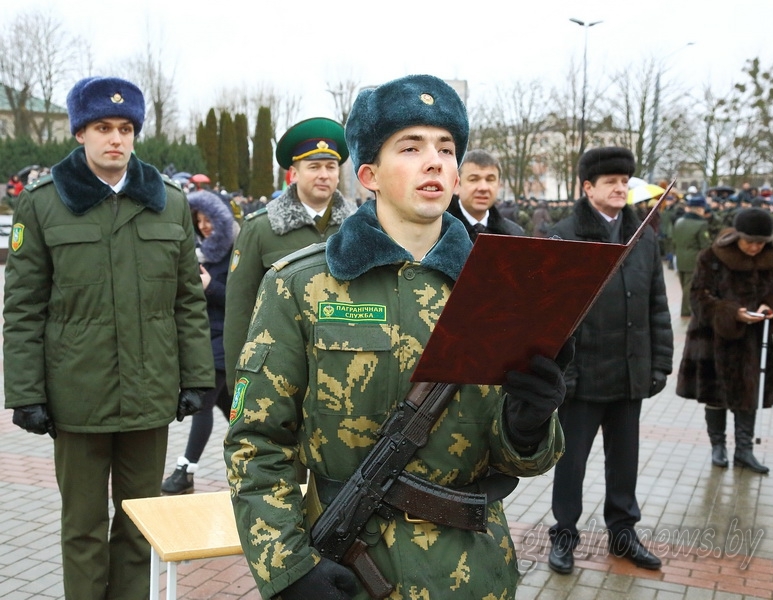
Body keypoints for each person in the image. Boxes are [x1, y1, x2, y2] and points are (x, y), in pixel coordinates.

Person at [224, 74, 569, 599]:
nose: (434, 161)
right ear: (369, 174)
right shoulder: (302, 284)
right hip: (347, 569)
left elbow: (523, 459)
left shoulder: (501, 291)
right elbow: (257, 441)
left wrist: (528, 424)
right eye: (410, 147)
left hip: (475, 574)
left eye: (446, 149)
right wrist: (288, 570)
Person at [2, 76, 215, 600]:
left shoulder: (167, 202)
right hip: (77, 397)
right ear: (80, 133)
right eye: (102, 127)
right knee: (82, 528)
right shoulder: (43, 204)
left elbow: (188, 299)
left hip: (149, 396)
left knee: (141, 525)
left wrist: (196, 377)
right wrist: (25, 392)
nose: (115, 138)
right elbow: (23, 307)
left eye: (125, 128)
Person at [546, 147, 673, 575]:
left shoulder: (644, 236)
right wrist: (566, 371)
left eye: (625, 182)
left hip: (628, 374)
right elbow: (554, 317)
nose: (621, 189)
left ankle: (624, 533)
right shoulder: (564, 235)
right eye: (611, 182)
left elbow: (657, 304)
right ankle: (564, 535)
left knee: (625, 464)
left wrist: (660, 364)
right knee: (571, 464)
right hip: (581, 379)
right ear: (587, 187)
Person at [223, 117, 357, 382]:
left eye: (331, 166)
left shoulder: (358, 227)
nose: (324, 174)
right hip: (278, 371)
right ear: (294, 173)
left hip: (348, 372)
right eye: (314, 166)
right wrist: (237, 383)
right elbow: (240, 311)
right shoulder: (261, 228)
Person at [676, 207, 773, 474]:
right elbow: (698, 296)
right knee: (715, 395)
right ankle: (718, 446)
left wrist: (771, 307)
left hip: (753, 340)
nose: (754, 247)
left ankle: (744, 450)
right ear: (737, 236)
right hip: (713, 339)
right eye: (749, 241)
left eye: (760, 243)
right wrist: (731, 313)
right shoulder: (712, 256)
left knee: (748, 395)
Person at [162, 190, 238, 495]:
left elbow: (242, 297)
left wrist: (210, 286)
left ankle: (185, 470)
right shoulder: (200, 251)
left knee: (203, 404)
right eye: (199, 219)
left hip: (224, 341)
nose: (204, 225)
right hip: (205, 338)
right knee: (233, 409)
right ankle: (256, 460)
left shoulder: (236, 250)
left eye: (210, 219)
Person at [446, 148, 524, 240]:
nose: (483, 188)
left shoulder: (514, 235)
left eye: (490, 180)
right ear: (457, 184)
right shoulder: (437, 233)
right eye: (473, 179)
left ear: (499, 185)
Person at [673, 194, 711, 317]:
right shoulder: (701, 224)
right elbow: (705, 245)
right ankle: (686, 310)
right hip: (693, 260)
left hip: (680, 258)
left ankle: (686, 309)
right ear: (700, 209)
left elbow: (674, 241)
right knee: (689, 288)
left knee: (684, 284)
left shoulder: (679, 221)